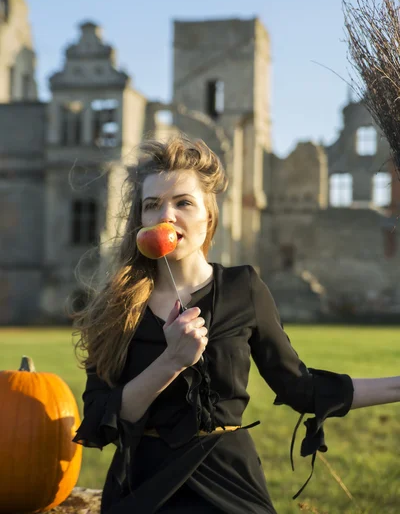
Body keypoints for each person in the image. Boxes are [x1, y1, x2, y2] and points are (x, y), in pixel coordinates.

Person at [72, 134, 400, 514]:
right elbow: (100, 419)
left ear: (208, 216)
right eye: (152, 205)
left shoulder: (243, 288)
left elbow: (301, 388)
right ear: (140, 220)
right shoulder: (117, 304)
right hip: (142, 487)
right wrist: (171, 361)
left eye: (183, 203)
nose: (166, 215)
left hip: (228, 482)